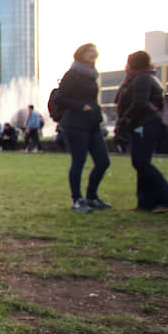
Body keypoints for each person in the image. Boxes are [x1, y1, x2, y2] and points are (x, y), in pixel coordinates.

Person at [115, 50, 168, 213]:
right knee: (140, 163)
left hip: (145, 124)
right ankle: (145, 203)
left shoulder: (142, 78)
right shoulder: (148, 76)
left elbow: (139, 103)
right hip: (146, 124)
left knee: (141, 163)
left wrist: (126, 120)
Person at [57, 43, 111, 213]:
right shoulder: (72, 74)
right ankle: (77, 199)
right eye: (90, 51)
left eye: (95, 50)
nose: (94, 53)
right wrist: (81, 106)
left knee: (103, 162)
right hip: (75, 124)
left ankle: (91, 196)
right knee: (79, 162)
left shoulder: (91, 75)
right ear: (81, 54)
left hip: (92, 124)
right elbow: (60, 98)